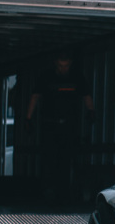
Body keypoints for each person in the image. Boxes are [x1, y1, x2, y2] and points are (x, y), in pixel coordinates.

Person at [26, 52, 94, 207]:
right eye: (61, 66)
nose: (64, 69)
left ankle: (64, 192)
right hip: (50, 125)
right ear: (55, 63)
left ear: (70, 63)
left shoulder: (77, 77)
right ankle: (48, 191)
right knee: (49, 159)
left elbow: (86, 96)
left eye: (67, 65)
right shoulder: (46, 77)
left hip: (70, 126)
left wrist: (91, 111)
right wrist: (28, 118)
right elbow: (35, 97)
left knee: (67, 159)